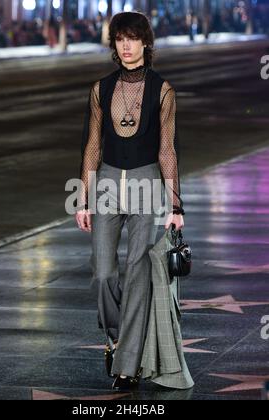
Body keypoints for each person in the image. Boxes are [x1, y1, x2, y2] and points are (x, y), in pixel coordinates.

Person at [74, 11, 185, 391]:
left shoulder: (163, 89)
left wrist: (175, 206)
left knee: (138, 274)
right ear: (114, 45)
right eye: (120, 39)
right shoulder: (100, 88)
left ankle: (127, 363)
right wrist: (83, 197)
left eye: (133, 38)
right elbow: (92, 144)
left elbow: (167, 149)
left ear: (145, 43)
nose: (126, 45)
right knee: (104, 273)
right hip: (106, 183)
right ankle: (118, 338)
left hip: (147, 183)